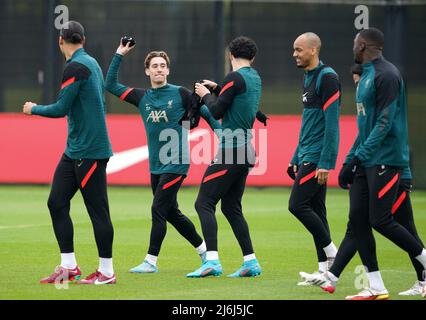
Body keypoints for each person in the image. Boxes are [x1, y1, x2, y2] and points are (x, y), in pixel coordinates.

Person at [300, 64, 426, 298]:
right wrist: (351, 163)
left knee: (398, 225)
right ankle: (334, 276)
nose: (359, 87)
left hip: (393, 172)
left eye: (360, 82)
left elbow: (381, 136)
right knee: (357, 225)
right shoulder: (368, 113)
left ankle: (420, 279)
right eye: (357, 83)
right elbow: (362, 139)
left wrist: (355, 161)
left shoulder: (384, 96)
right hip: (373, 169)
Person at [105, 39, 221, 274]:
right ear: (147, 71)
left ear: (168, 70)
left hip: (177, 162)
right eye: (154, 66)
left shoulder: (180, 93)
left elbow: (207, 113)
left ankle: (150, 261)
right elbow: (110, 84)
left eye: (162, 65)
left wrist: (222, 135)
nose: (159, 69)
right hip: (156, 165)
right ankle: (204, 252)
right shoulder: (141, 97)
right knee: (171, 213)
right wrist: (119, 53)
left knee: (157, 209)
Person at [332, 27, 426, 300]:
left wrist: (359, 157)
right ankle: (376, 287)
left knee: (381, 220)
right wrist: (350, 161)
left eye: (354, 42)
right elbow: (365, 128)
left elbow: (384, 124)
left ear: (362, 45)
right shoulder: (367, 76)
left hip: (385, 159)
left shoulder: (387, 75)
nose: (352, 46)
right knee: (358, 220)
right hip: (366, 159)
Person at [23, 21, 116, 285]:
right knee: (56, 202)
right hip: (75, 149)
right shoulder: (92, 62)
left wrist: (34, 108)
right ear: (83, 40)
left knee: (98, 211)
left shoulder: (75, 66)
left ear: (60, 41)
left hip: (89, 150)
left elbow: (61, 108)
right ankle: (68, 267)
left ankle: (107, 272)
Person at [186, 36, 262, 278]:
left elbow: (217, 110)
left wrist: (203, 93)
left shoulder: (234, 78)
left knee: (203, 203)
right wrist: (217, 89)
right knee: (231, 207)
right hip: (247, 150)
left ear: (231, 55)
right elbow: (236, 97)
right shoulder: (254, 77)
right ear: (253, 57)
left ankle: (212, 262)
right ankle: (251, 262)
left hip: (231, 151)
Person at [288, 32, 341, 283]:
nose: (295, 54)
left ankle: (333, 254)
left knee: (297, 205)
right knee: (318, 211)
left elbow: (332, 124)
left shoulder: (327, 77)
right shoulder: (308, 77)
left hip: (318, 155)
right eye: (294, 50)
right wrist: (295, 155)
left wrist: (326, 162)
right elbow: (308, 121)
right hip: (307, 153)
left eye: (299, 50)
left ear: (314, 50)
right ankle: (324, 271)